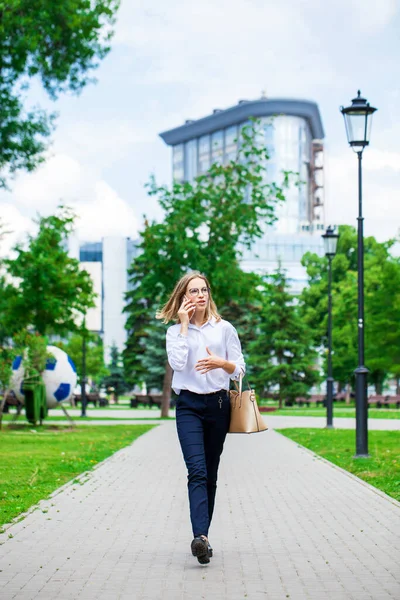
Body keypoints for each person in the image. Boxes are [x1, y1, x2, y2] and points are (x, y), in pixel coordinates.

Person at [156, 271, 245, 565]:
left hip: (219, 406)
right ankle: (200, 538)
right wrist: (183, 325)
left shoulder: (224, 329)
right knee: (197, 471)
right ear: (184, 297)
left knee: (210, 472)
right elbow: (178, 364)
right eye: (194, 291)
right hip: (189, 407)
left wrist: (222, 362)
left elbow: (240, 369)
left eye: (204, 290)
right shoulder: (174, 333)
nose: (201, 295)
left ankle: (203, 538)